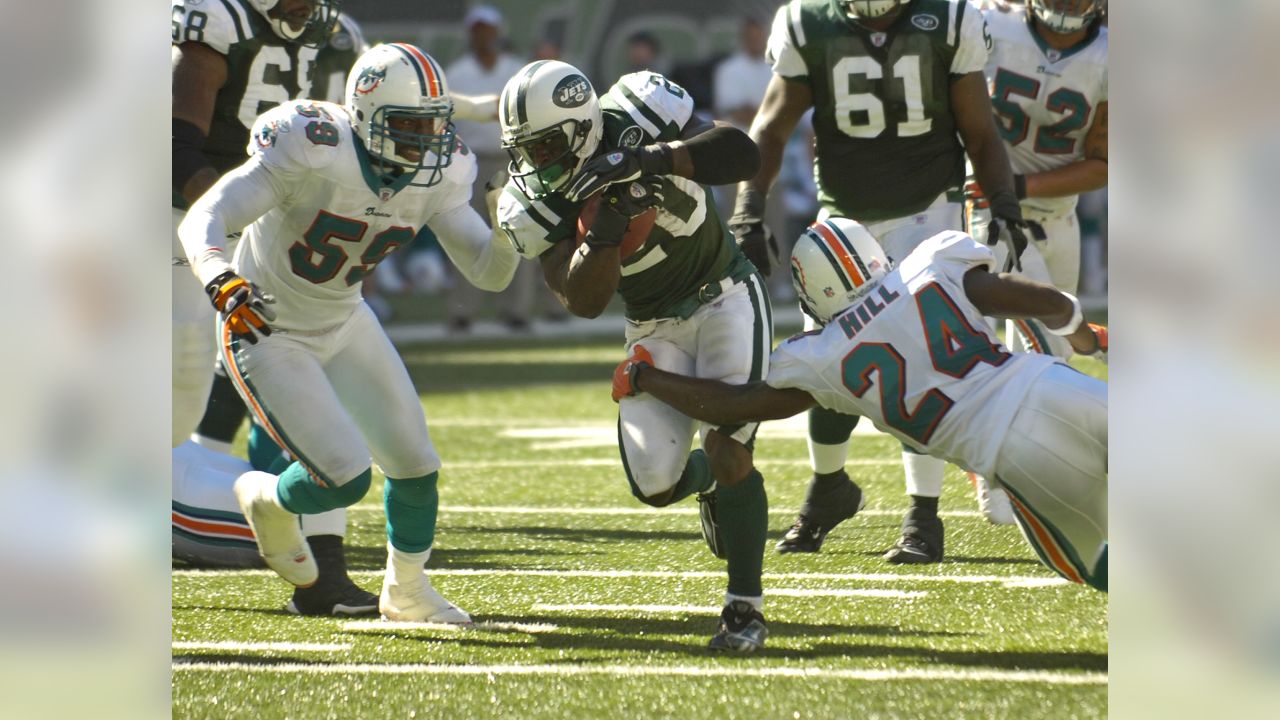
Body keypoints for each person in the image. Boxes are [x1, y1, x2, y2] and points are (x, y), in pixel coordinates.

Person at [178, 43, 519, 623]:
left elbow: (487, 273)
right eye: (408, 127)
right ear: (364, 115)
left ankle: (406, 590)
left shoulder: (440, 173)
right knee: (343, 477)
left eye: (433, 128)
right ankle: (264, 497)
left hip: (345, 317)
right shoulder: (311, 145)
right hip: (268, 326)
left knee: (416, 464)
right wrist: (219, 276)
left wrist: (512, 227)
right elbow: (206, 215)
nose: (424, 143)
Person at [613, 218, 1107, 591]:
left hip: (1009, 451)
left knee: (1093, 563)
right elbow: (1052, 305)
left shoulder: (822, 355)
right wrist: (1085, 338)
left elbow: (731, 409)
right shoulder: (931, 263)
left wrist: (645, 375)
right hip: (1052, 386)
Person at [735, 0, 1033, 563]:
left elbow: (979, 129)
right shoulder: (809, 22)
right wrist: (749, 208)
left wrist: (1003, 202)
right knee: (825, 357)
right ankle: (829, 487)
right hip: (845, 215)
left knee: (924, 358)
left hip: (927, 209)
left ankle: (924, 514)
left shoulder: (948, 18)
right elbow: (770, 129)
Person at [495, 60, 770, 650]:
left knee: (728, 449)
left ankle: (744, 607)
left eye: (544, 145)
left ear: (579, 126)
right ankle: (710, 487)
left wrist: (650, 159)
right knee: (655, 485)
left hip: (725, 296)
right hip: (654, 323)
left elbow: (741, 154)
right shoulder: (533, 202)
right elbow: (582, 299)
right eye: (525, 150)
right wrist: (604, 229)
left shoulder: (638, 111)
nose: (534, 163)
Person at [171, 0, 377, 616]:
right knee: (177, 401)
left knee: (309, 381)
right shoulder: (218, 18)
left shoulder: (341, 35)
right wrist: (240, 215)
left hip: (267, 237)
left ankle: (325, 577)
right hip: (188, 229)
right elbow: (174, 148)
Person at [967, 0, 1108, 359]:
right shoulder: (991, 25)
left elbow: (1104, 164)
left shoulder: (1110, 55)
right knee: (1034, 344)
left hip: (1059, 218)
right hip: (991, 210)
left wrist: (1019, 186)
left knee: (1052, 356)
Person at [444, 5, 535, 332]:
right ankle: (463, 309)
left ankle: (517, 310)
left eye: (488, 28)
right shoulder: (456, 72)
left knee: (518, 232)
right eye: (477, 29)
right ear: (471, 33)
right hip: (471, 162)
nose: (483, 35)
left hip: (513, 159)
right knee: (467, 235)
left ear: (497, 32)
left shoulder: (516, 69)